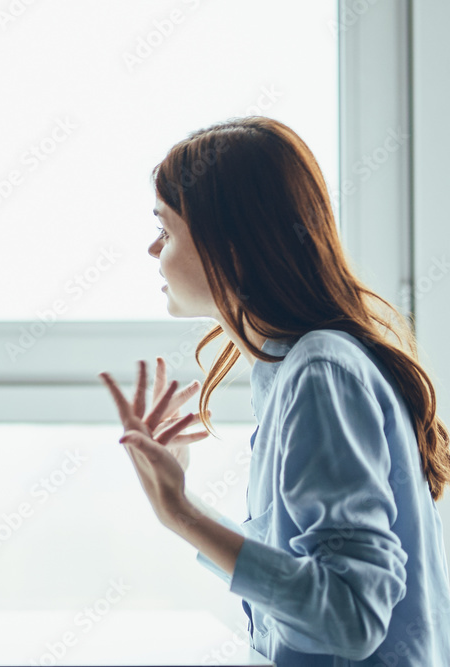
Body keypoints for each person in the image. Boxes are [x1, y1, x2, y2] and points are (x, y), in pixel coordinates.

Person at [99, 117, 450, 666]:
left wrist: (182, 513)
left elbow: (351, 619)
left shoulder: (320, 372)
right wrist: (182, 500)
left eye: (165, 230)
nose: (151, 248)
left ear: (231, 248)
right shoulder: (290, 370)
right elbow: (310, 593)